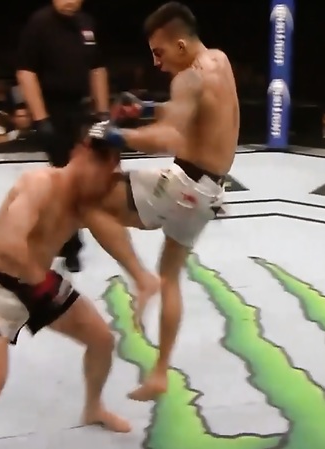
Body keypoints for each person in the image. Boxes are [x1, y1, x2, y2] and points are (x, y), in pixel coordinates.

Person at [83, 1, 240, 402]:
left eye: (159, 52)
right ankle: (159, 374)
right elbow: (194, 111)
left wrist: (116, 135)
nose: (156, 62)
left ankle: (139, 278)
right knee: (171, 275)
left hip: (183, 185)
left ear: (181, 45)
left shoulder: (187, 77)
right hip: (209, 191)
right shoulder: (219, 60)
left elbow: (168, 136)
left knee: (89, 201)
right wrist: (147, 108)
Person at [0, 131, 129, 449]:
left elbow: (130, 219)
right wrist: (42, 282)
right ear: (80, 153)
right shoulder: (38, 183)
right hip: (0, 287)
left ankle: (94, 407)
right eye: (100, 165)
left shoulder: (85, 202)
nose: (102, 178)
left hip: (40, 283)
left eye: (108, 170)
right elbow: (10, 245)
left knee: (102, 340)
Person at [16, 0, 110, 272]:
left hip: (81, 111)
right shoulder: (40, 23)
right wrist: (40, 118)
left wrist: (103, 112)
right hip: (53, 111)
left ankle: (65, 238)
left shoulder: (86, 23)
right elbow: (26, 71)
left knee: (81, 180)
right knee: (65, 181)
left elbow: (97, 68)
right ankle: (71, 244)